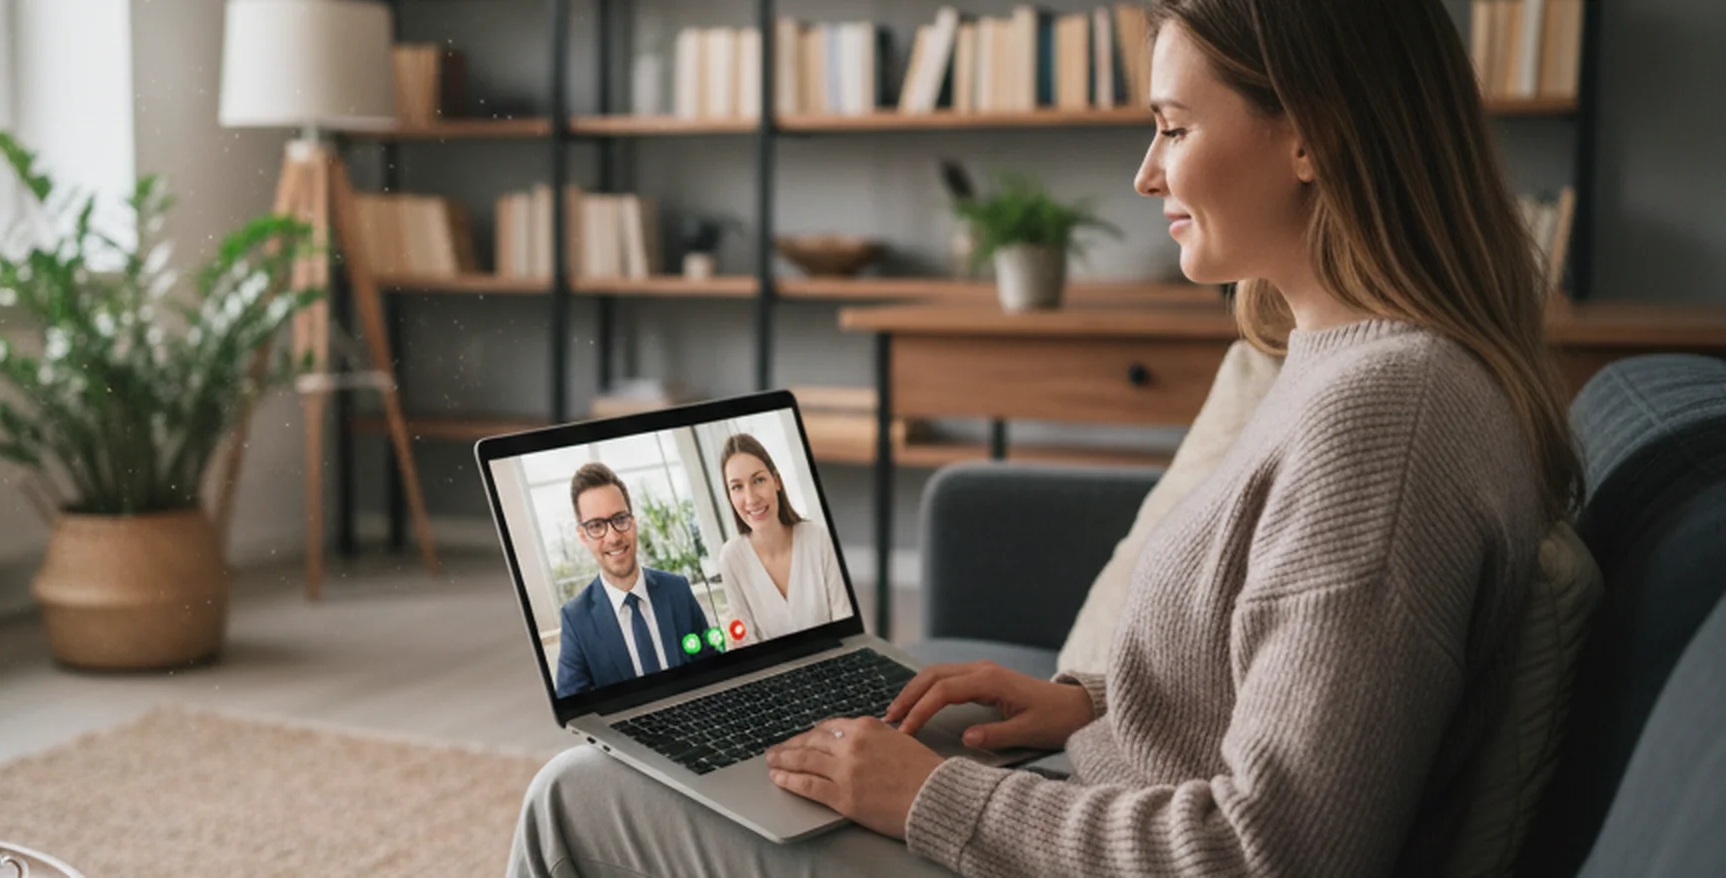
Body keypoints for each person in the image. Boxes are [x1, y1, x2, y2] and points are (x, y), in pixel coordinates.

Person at [511, 0, 1582, 874]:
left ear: (1311, 131)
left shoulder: (1382, 418)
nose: (1144, 173)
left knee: (577, 795)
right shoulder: (1346, 365)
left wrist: (931, 793)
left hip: (1075, 841)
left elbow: (1272, 849)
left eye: (1172, 125)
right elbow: (1280, 689)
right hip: (1082, 796)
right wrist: (1091, 702)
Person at [551, 463, 718, 699]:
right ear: (583, 536)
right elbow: (575, 711)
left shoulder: (677, 590)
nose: (613, 536)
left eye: (619, 519)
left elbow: (714, 670)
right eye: (596, 526)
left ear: (633, 521)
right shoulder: (576, 619)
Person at [714, 433, 852, 645]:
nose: (751, 498)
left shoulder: (817, 539)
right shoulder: (732, 558)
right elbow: (747, 644)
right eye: (737, 487)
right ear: (730, 497)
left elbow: (846, 627)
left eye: (758, 480)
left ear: (776, 481)